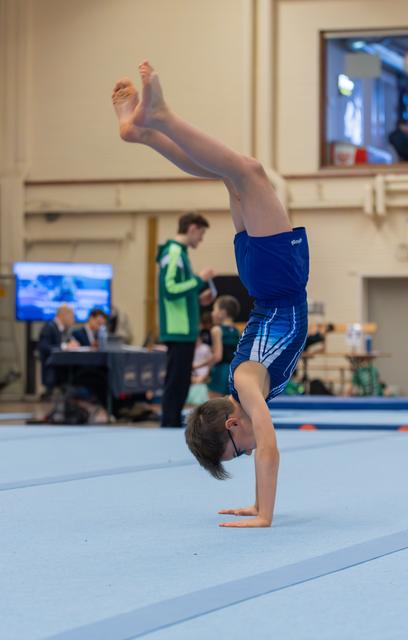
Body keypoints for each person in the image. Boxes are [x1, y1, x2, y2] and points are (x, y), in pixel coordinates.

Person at [112, 61, 309, 527]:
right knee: (234, 174)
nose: (247, 450)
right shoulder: (240, 386)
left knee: (247, 170)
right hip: (266, 282)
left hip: (278, 284)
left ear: (232, 424)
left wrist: (265, 516)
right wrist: (258, 506)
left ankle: (160, 120)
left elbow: (271, 448)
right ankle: (142, 133)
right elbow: (263, 445)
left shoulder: (243, 386)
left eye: (236, 450)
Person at [156, 211, 215, 427]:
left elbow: (179, 292)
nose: (201, 239)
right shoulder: (172, 252)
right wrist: (200, 279)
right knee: (176, 380)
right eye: (201, 233)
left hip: (184, 327)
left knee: (181, 381)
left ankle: (171, 420)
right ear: (192, 229)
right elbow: (169, 289)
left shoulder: (180, 253)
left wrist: (198, 299)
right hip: (177, 328)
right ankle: (169, 422)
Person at [38, 304, 78, 398]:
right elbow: (44, 347)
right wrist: (64, 346)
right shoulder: (49, 327)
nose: (73, 320)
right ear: (63, 315)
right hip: (52, 367)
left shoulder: (63, 329)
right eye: (72, 317)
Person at [208, 295, 241, 397]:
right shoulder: (237, 331)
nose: (212, 313)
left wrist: (201, 366)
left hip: (220, 371)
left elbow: (217, 356)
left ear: (222, 313)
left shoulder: (217, 330)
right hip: (234, 372)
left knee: (214, 407)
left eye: (214, 310)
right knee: (229, 407)